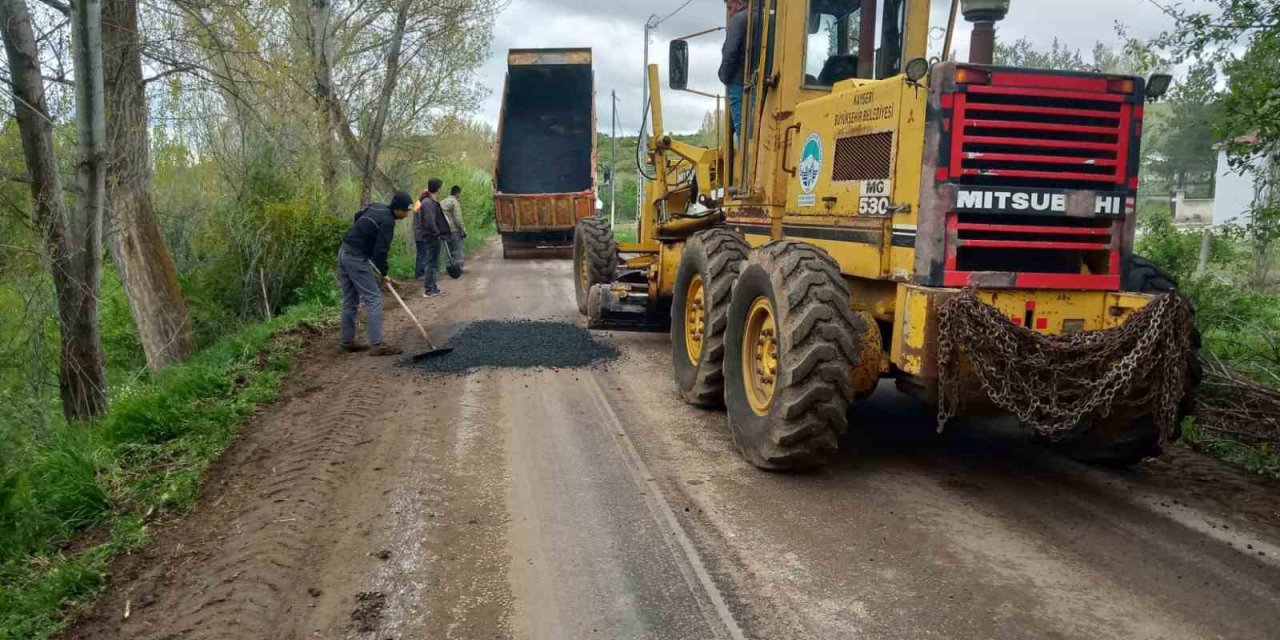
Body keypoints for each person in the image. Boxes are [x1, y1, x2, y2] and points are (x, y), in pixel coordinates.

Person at [338, 191, 413, 356]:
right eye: (406, 211)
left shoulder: (376, 206)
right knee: (374, 299)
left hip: (344, 251)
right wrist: (383, 273)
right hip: (356, 257)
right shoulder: (388, 222)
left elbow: (358, 216)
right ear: (398, 209)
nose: (407, 215)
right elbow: (381, 251)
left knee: (350, 298)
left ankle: (347, 341)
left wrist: (364, 238)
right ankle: (377, 344)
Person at [414, 178, 450, 297]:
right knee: (431, 263)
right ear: (438, 189)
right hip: (431, 237)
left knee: (434, 263)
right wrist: (437, 233)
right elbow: (429, 221)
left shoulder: (427, 201)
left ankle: (433, 288)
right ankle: (429, 289)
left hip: (430, 236)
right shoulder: (428, 203)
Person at [719, 0, 748, 139]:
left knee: (741, 129)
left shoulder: (739, 19)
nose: (730, 13)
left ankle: (745, 158)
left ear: (739, 3)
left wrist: (724, 76)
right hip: (754, 82)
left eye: (730, 8)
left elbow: (730, 51)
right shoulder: (766, 17)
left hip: (738, 81)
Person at [440, 185, 467, 270]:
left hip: (444, 230)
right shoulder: (454, 202)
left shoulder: (442, 202)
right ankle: (458, 268)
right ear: (458, 193)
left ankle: (449, 267)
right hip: (454, 230)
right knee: (457, 249)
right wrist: (462, 229)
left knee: (448, 249)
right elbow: (458, 218)